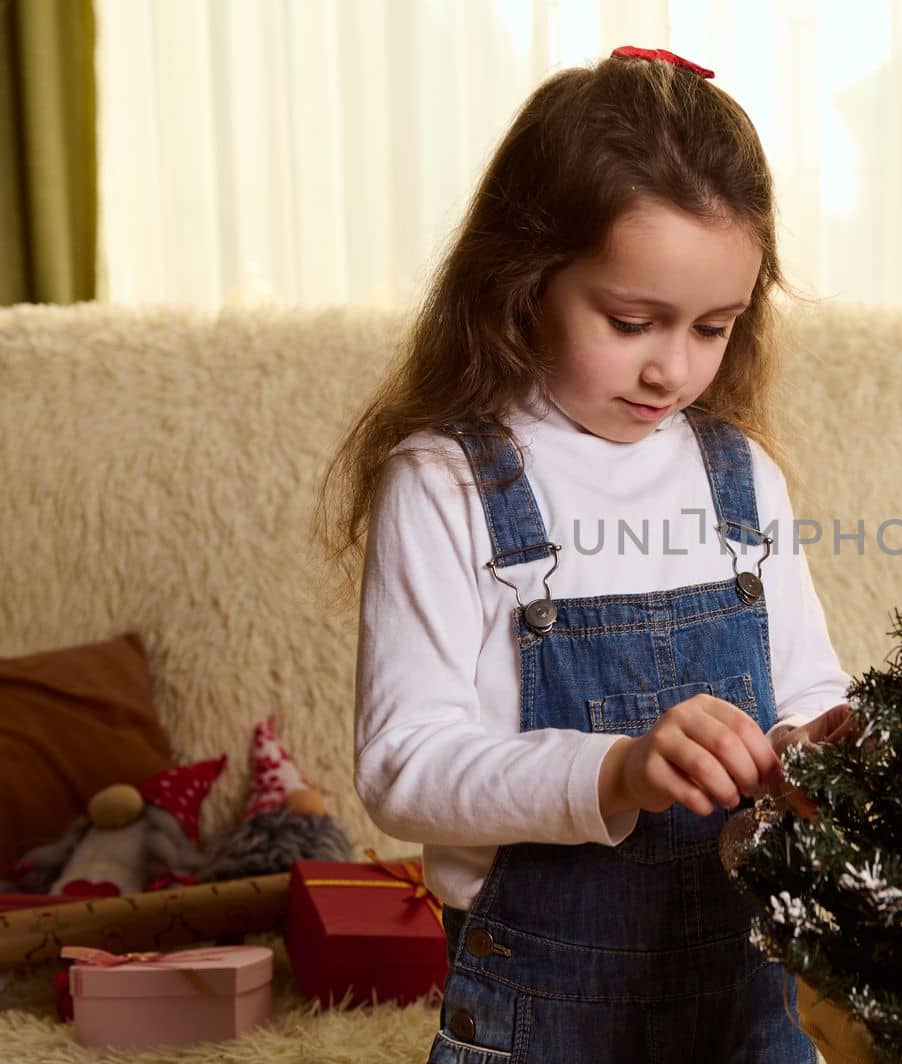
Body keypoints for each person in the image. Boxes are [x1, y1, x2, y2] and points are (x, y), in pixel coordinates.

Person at [320, 46, 854, 1063]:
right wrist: (618, 769)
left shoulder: (737, 475)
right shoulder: (448, 483)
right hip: (540, 1019)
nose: (674, 366)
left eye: (713, 326)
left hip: (744, 1003)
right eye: (630, 320)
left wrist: (829, 742)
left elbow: (806, 686)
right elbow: (404, 767)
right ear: (523, 281)